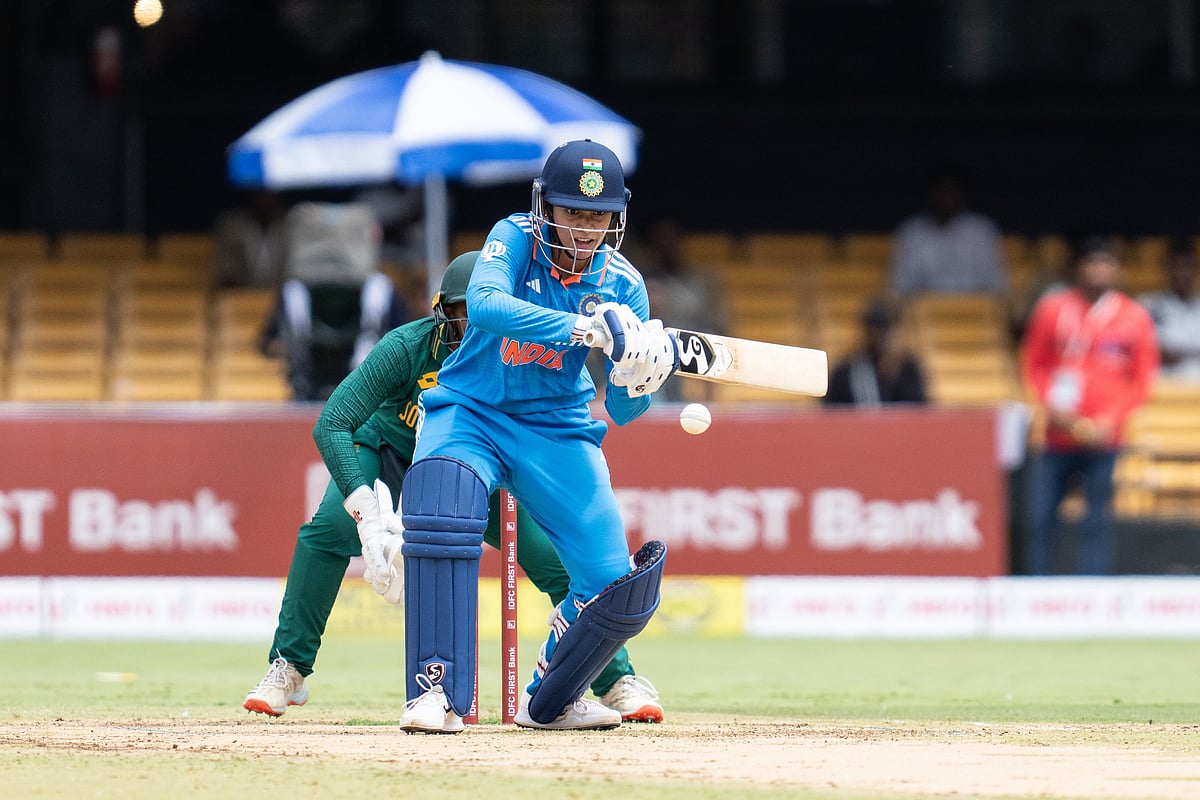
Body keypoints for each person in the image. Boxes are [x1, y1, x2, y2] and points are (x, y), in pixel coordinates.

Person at [243, 250, 664, 727]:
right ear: (442, 311)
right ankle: (290, 668)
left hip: (476, 474)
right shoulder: (409, 346)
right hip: (393, 458)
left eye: (480, 314)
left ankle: (613, 677)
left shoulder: (520, 355)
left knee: (553, 557)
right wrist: (367, 514)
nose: (471, 329)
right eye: (460, 315)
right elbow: (333, 422)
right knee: (330, 529)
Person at [390, 139, 674, 733]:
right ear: (546, 208)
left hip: (557, 428)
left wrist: (641, 370)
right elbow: (488, 305)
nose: (584, 229)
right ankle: (435, 691)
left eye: (597, 216)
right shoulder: (514, 239)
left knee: (612, 582)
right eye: (573, 212)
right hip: (470, 410)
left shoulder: (624, 284)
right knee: (444, 500)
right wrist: (583, 328)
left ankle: (551, 700)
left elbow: (624, 411)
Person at [1019, 236, 1159, 575]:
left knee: (1097, 520)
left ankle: (1092, 596)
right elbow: (1033, 366)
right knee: (1041, 519)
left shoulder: (1133, 316)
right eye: (1092, 261)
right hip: (1057, 435)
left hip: (1104, 438)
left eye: (1106, 262)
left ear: (1117, 269)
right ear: (1078, 268)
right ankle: (1036, 594)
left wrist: (1110, 420)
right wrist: (1056, 409)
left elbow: (1142, 381)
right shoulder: (1053, 308)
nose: (1099, 269)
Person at [633, 219, 728, 402]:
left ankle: (709, 405)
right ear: (652, 245)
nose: (666, 247)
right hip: (650, 350)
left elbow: (718, 323)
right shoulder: (639, 281)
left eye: (671, 241)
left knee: (711, 344)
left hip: (691, 346)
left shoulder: (699, 282)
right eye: (661, 242)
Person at [887, 165, 1008, 300]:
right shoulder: (912, 232)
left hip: (972, 311)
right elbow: (900, 285)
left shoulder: (982, 231)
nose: (946, 197)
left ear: (962, 194)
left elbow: (996, 286)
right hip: (924, 313)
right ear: (930, 193)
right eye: (941, 191)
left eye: (951, 191)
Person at [823, 299, 927, 407]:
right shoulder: (845, 371)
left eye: (882, 332)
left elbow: (919, 410)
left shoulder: (908, 370)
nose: (877, 338)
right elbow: (832, 412)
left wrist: (891, 379)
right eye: (872, 332)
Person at [1137, 239, 1200, 381]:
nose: (1181, 273)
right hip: (1163, 384)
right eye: (1176, 266)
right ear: (1166, 269)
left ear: (1195, 270)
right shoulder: (1148, 304)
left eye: (1187, 266)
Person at [213, 189, 288, 289]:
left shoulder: (290, 225)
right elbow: (226, 272)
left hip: (281, 297)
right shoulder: (232, 227)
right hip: (242, 298)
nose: (265, 198)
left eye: (270, 191)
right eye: (262, 191)